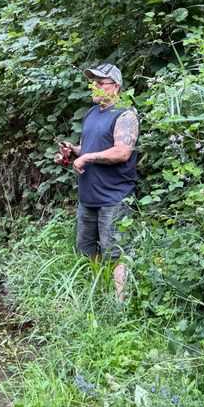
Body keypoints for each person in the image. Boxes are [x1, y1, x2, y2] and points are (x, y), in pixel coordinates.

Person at [55, 63, 138, 299]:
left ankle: (120, 305)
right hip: (88, 197)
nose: (95, 87)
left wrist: (88, 157)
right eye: (93, 82)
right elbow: (91, 148)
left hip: (114, 197)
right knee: (86, 249)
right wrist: (73, 151)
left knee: (116, 253)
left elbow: (122, 151)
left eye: (101, 82)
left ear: (116, 87)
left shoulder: (125, 114)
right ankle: (99, 294)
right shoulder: (92, 113)